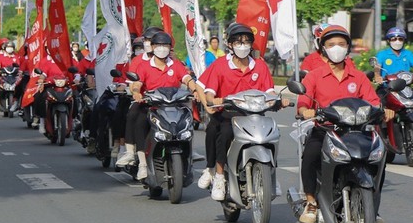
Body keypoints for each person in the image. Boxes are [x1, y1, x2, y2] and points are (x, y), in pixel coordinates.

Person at [296, 25, 394, 223]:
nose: (337, 48)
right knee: (311, 155)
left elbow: (373, 101)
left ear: (348, 47)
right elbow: (303, 103)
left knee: (378, 158)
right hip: (326, 130)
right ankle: (311, 202)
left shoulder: (357, 77)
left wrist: (383, 111)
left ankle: (372, 208)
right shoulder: (314, 75)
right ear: (323, 48)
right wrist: (306, 110)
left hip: (356, 131)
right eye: (331, 44)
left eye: (341, 44)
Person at [196, 23, 288, 201]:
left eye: (247, 41)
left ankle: (271, 175)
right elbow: (209, 92)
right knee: (223, 132)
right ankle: (219, 175)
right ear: (229, 44)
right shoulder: (220, 65)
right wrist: (214, 99)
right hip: (228, 114)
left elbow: (269, 91)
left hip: (254, 115)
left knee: (272, 133)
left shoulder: (260, 66)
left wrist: (277, 100)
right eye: (238, 42)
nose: (243, 45)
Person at [117, 31, 197, 180]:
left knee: (187, 118)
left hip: (173, 105)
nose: (162, 48)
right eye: (159, 45)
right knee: (136, 117)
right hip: (150, 105)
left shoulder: (176, 65)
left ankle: (189, 153)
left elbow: (187, 79)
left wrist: (195, 90)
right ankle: (139, 161)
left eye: (165, 45)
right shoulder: (144, 66)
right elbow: (137, 83)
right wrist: (136, 93)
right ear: (152, 47)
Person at [116, 27, 163, 168]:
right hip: (144, 101)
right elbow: (133, 83)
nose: (149, 43)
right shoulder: (138, 61)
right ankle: (131, 153)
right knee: (132, 115)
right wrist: (136, 92)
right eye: (147, 40)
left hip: (166, 102)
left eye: (152, 40)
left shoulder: (170, 60)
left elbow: (183, 77)